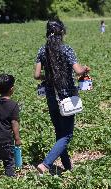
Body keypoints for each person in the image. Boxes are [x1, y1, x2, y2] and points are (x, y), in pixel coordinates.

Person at [34, 19, 91, 174]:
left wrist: (50, 76)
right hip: (67, 96)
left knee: (59, 132)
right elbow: (78, 71)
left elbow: (37, 75)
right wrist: (85, 68)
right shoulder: (66, 49)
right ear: (61, 32)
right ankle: (46, 164)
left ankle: (67, 166)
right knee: (67, 134)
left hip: (51, 96)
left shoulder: (42, 50)